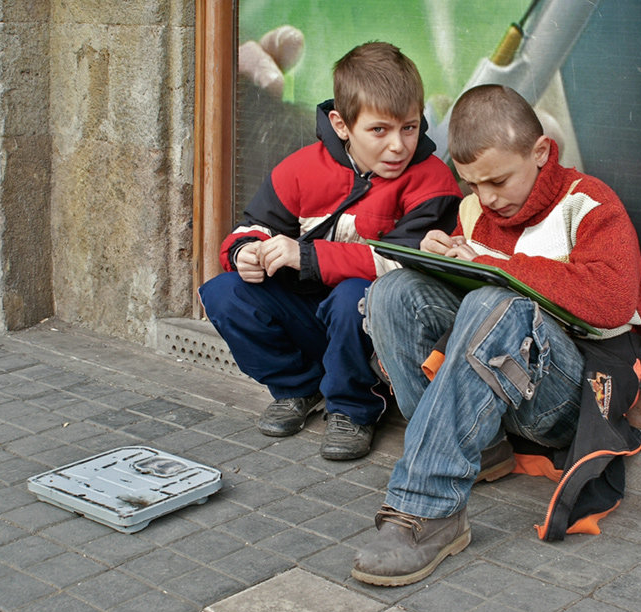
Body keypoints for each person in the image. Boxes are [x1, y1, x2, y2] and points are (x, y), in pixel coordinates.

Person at [353, 84, 641, 586]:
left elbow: (612, 303)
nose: (486, 198)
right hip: (498, 388)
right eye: (471, 185)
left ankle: (429, 509)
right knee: (393, 293)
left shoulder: (591, 203)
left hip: (564, 399)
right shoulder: (482, 212)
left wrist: (497, 263)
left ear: (540, 153)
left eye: (497, 180)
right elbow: (474, 287)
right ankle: (483, 446)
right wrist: (445, 257)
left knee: (499, 304)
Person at [198, 42, 462, 461]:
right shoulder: (301, 168)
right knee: (223, 292)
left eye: (409, 128)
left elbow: (406, 263)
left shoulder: (433, 181)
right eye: (380, 130)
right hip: (312, 317)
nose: (398, 146)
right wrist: (246, 250)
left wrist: (305, 257)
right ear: (341, 124)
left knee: (350, 295)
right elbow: (253, 225)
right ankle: (297, 388)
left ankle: (355, 409)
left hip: (377, 335)